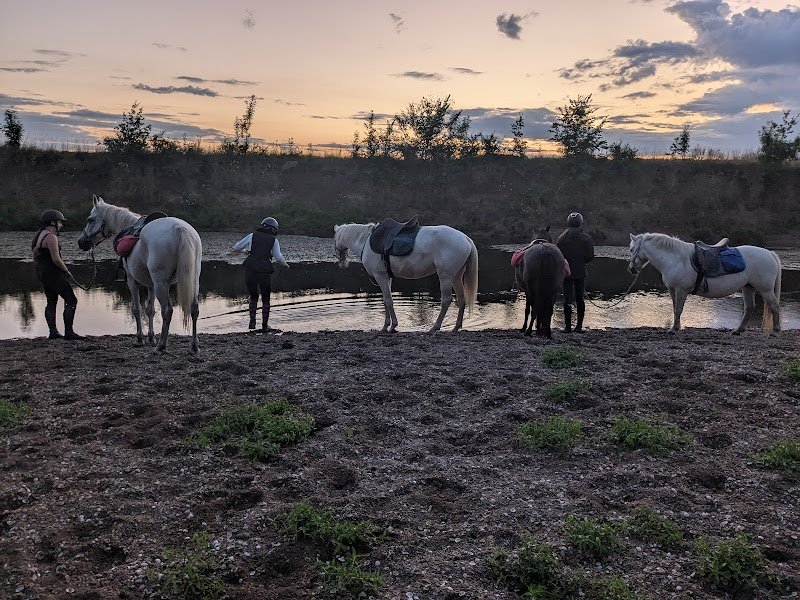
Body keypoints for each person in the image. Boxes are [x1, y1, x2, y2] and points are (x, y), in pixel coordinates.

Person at [31, 209, 85, 340]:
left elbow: (35, 255)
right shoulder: (51, 237)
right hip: (54, 273)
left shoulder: (39, 236)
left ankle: (53, 332)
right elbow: (56, 259)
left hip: (42, 273)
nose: (61, 225)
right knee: (71, 300)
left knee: (51, 301)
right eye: (59, 222)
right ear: (53, 222)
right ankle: (69, 332)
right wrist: (66, 271)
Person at [233, 217, 289, 332]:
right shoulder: (274, 240)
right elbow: (278, 257)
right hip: (264, 271)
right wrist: (285, 264)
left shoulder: (252, 236)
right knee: (266, 299)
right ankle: (264, 325)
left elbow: (237, 247)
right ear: (274, 229)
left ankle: (252, 323)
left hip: (250, 269)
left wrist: (247, 251)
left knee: (253, 297)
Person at [556, 212, 594, 333]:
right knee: (579, 299)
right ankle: (579, 327)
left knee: (567, 299)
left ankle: (567, 327)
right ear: (580, 222)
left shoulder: (561, 239)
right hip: (580, 273)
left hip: (566, 274)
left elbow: (559, 257)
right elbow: (590, 257)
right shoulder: (586, 238)